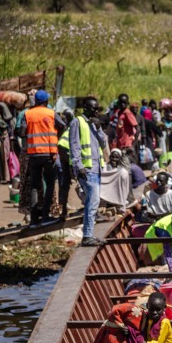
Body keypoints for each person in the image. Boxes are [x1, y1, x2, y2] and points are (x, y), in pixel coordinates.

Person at [67, 99, 109, 246]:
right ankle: (87, 236)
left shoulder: (94, 124)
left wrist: (98, 128)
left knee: (93, 202)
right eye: (94, 109)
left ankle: (89, 234)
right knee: (93, 202)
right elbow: (74, 146)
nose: (96, 112)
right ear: (86, 108)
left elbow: (104, 143)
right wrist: (79, 167)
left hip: (96, 168)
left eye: (98, 109)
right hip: (86, 169)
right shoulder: (77, 122)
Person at [24, 89, 60, 227]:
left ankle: (33, 219)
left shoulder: (27, 114)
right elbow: (62, 124)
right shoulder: (51, 113)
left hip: (33, 154)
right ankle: (45, 216)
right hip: (49, 154)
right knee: (50, 184)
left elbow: (21, 132)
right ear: (46, 101)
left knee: (34, 186)